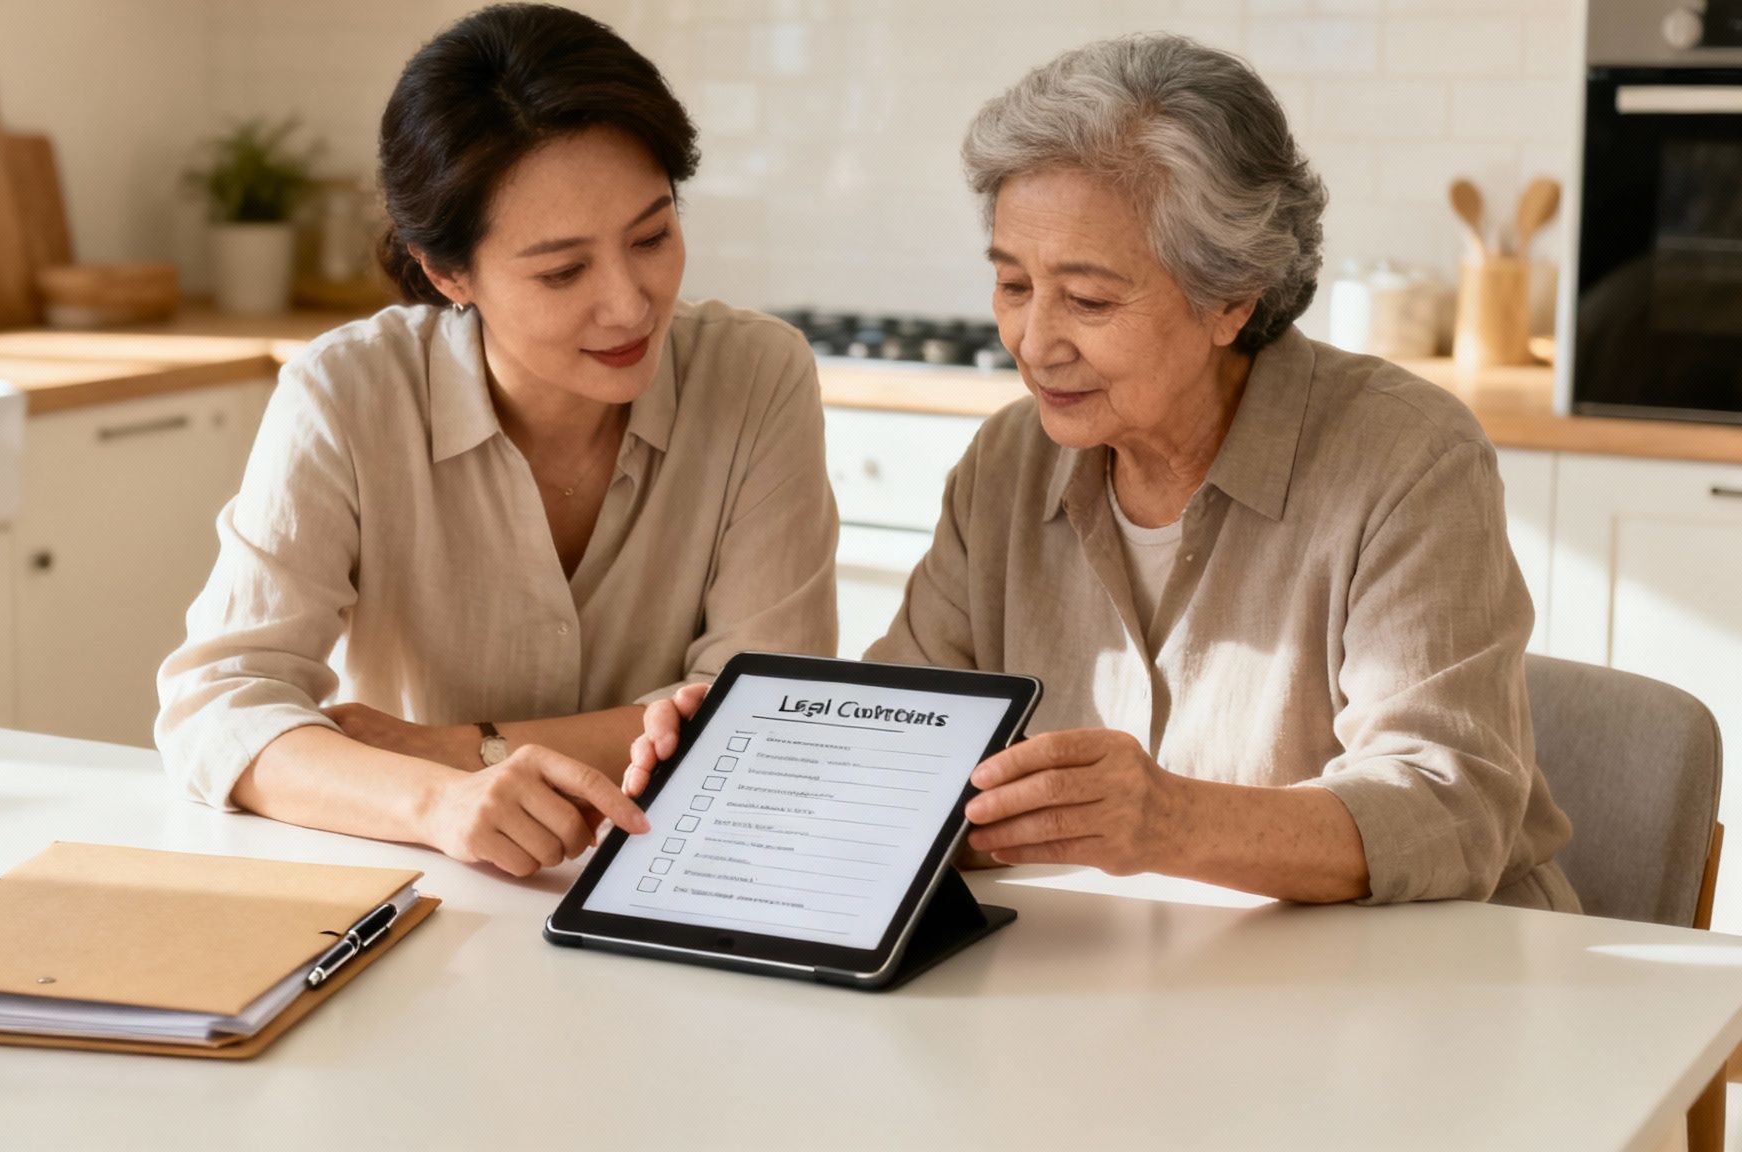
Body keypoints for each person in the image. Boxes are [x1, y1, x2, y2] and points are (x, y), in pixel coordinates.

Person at [631, 34, 1577, 909]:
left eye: (1087, 297)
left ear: (1231, 298)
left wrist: (1168, 823)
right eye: (1011, 284)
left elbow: (1450, 803)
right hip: (1127, 999)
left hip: (1419, 997)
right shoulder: (1007, 465)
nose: (1034, 342)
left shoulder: (1407, 459)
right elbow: (904, 746)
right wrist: (755, 753)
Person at [157, 4, 839, 879]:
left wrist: (449, 748)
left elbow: (772, 715)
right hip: (426, 885)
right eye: (563, 271)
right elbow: (216, 707)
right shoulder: (347, 393)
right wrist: (436, 801)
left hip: (686, 879)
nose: (631, 304)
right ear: (448, 274)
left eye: (653, 236)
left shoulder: (756, 375)